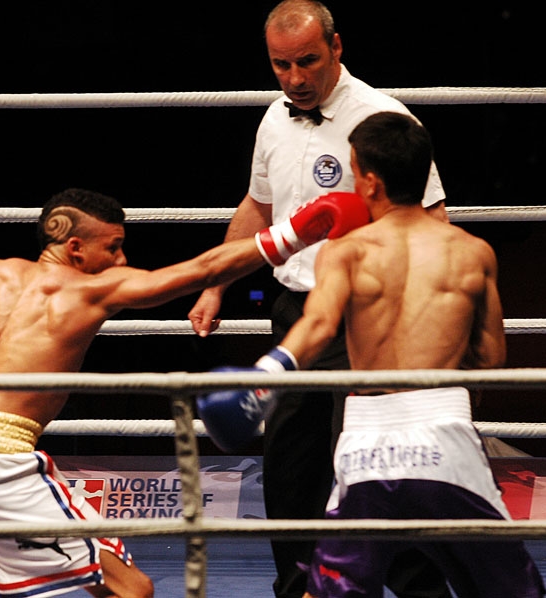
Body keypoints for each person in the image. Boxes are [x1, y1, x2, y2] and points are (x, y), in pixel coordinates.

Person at [0, 186, 370, 598]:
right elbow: (199, 270)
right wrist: (294, 232)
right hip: (0, 464)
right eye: (115, 247)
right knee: (133, 588)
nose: (122, 260)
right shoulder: (90, 290)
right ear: (74, 247)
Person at [197, 112, 546, 597]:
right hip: (445, 432)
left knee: (334, 587)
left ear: (369, 179)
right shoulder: (473, 252)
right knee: (509, 588)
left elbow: (317, 326)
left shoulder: (346, 251)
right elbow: (490, 356)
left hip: (366, 444)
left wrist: (262, 380)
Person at [187, 2, 449, 597]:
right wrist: (216, 284)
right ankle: (302, 590)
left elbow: (434, 221)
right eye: (281, 65)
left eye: (307, 61)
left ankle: (416, 591)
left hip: (372, 319)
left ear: (336, 47)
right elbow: (258, 207)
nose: (295, 78)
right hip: (297, 312)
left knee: (378, 468)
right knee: (290, 465)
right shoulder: (273, 121)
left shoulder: (383, 118)